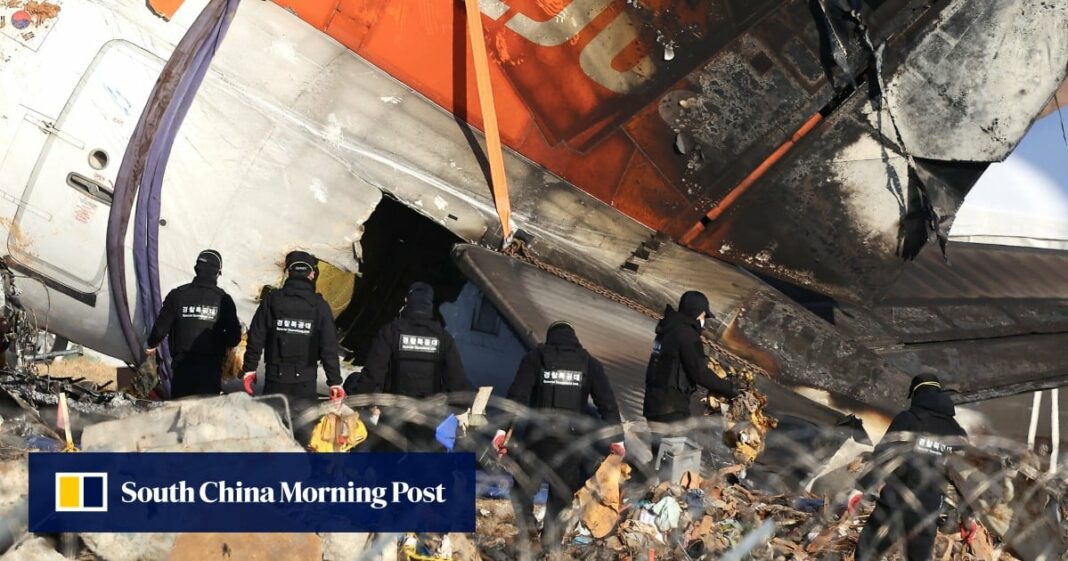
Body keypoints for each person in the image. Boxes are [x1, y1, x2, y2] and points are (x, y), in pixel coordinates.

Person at [493, 321, 624, 552]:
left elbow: (517, 396)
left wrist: (502, 430)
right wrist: (617, 439)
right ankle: (550, 546)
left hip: (537, 440)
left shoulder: (535, 358)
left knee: (521, 488)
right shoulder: (589, 363)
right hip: (571, 443)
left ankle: (528, 532)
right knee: (560, 496)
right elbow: (607, 403)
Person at [851, 373, 975, 561]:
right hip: (928, 508)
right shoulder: (955, 432)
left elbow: (884, 455)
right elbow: (962, 475)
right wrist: (968, 514)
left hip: (895, 502)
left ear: (916, 394)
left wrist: (860, 488)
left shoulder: (908, 419)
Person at [346, 281, 470, 450]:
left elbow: (374, 373)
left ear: (407, 301)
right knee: (420, 467)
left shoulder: (390, 332)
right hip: (427, 417)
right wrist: (461, 408)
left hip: (393, 414)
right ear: (430, 304)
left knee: (387, 466)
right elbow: (456, 378)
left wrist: (359, 398)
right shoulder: (442, 337)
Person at [242, 251, 344, 406]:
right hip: (305, 381)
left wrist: (249, 368)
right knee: (302, 428)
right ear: (311, 274)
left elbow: (256, 336)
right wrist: (334, 381)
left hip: (275, 378)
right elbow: (329, 346)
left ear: (289, 273)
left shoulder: (272, 300)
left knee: (272, 426)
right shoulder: (320, 305)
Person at [146, 249, 241, 398]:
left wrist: (151, 345)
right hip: (210, 373)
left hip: (182, 370)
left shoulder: (177, 295)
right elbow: (234, 338)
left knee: (180, 415)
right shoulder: (224, 300)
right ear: (217, 273)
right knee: (204, 418)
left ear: (196, 269)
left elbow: (159, 331)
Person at [642, 290, 739, 425]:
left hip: (653, 404)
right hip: (672, 408)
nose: (703, 321)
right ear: (697, 313)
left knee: (659, 445)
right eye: (704, 316)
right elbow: (700, 373)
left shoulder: (667, 330)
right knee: (671, 446)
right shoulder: (687, 335)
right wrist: (730, 389)